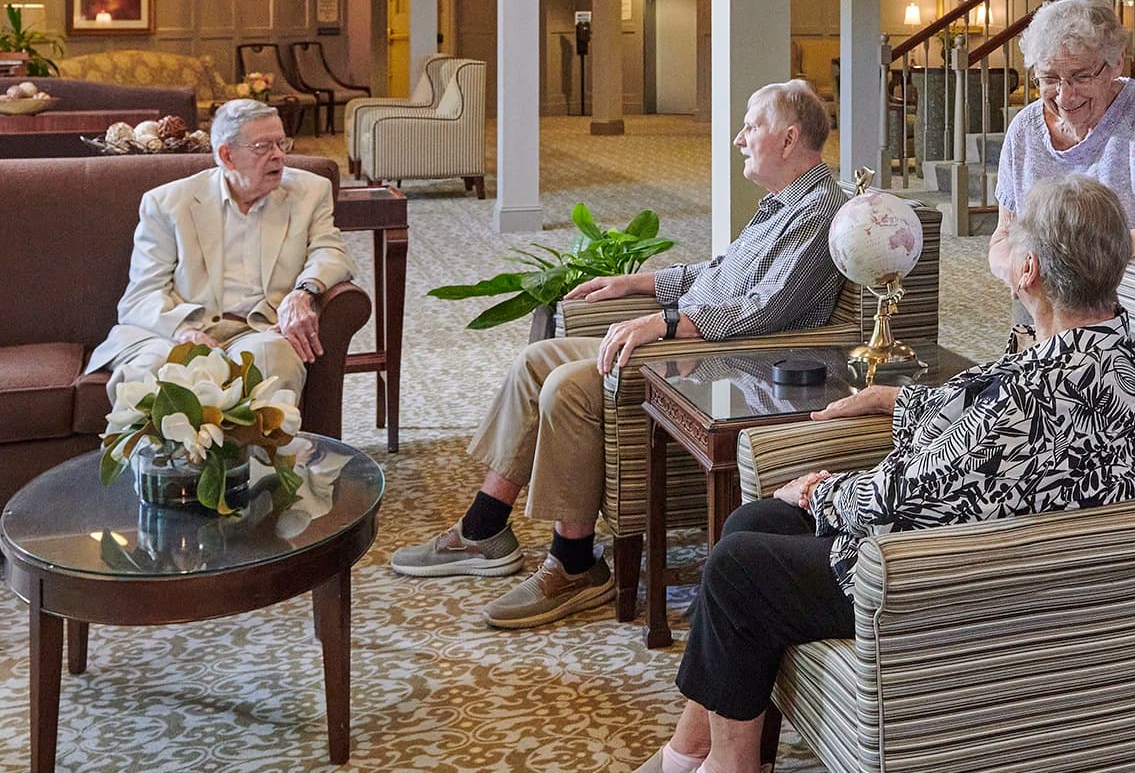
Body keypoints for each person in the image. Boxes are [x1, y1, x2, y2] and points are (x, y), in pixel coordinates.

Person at [636, 175, 1135, 773]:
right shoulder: (1117, 359)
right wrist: (899, 401)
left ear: (1030, 272)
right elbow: (989, 422)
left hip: (943, 579)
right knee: (756, 520)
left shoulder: (1040, 391)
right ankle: (689, 752)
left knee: (739, 567)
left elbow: (916, 486)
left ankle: (723, 766)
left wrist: (818, 493)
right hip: (979, 546)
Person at [391, 79, 848, 630]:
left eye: (751, 126)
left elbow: (762, 311)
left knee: (568, 385)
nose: (738, 139)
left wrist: (667, 320)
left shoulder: (820, 212)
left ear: (789, 138)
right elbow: (719, 274)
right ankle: (485, 528)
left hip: (724, 361)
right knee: (535, 361)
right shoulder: (782, 202)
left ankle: (575, 563)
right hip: (688, 337)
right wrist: (635, 284)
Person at [89, 98, 353, 402]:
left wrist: (302, 293)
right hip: (179, 327)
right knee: (154, 369)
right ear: (227, 156)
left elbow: (330, 250)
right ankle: (154, 452)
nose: (279, 156)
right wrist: (184, 333)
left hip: (256, 330)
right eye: (263, 147)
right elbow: (142, 294)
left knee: (272, 358)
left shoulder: (310, 191)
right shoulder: (169, 203)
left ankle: (262, 452)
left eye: (282, 143)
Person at [987, 0, 1135, 346]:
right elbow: (1004, 236)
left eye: (1081, 76)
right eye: (1049, 78)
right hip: (1038, 315)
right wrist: (1010, 267)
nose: (1065, 97)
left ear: (1116, 64)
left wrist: (1059, 262)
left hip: (1124, 316)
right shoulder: (1024, 129)